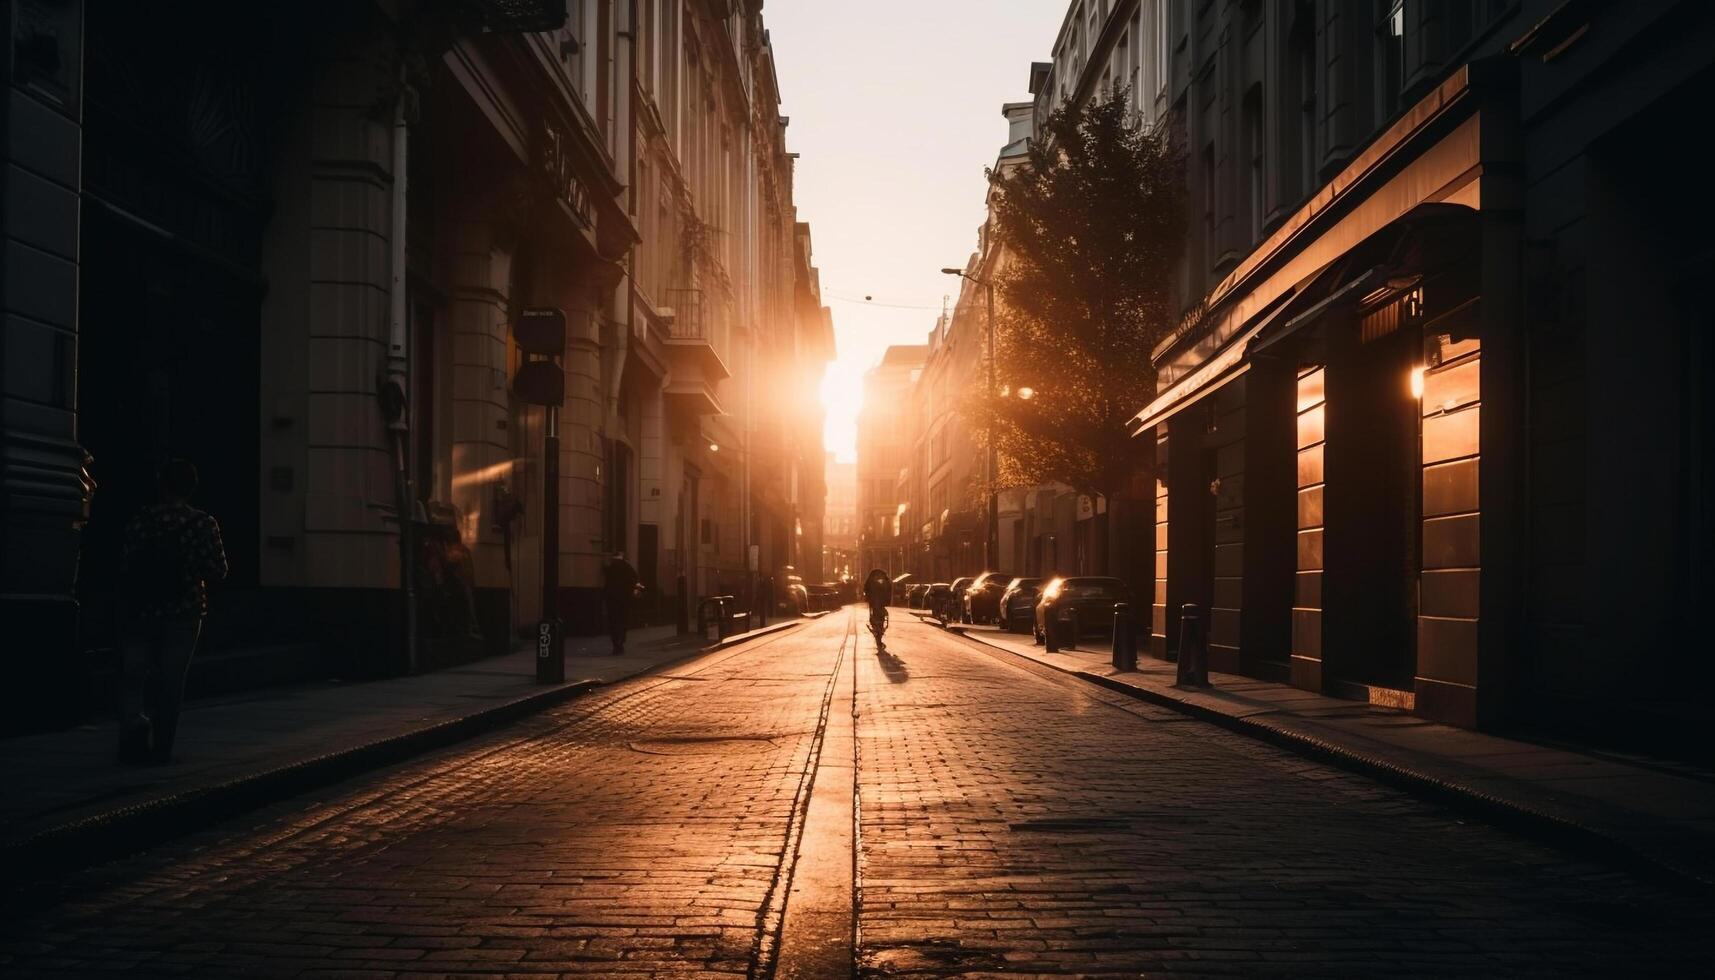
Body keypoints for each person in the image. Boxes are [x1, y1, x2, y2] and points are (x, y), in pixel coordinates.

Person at [117, 458, 228, 765]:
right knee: (171, 679)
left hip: (142, 610)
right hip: (185, 610)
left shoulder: (142, 519)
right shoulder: (203, 524)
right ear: (191, 487)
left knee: (134, 674)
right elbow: (218, 570)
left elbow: (127, 563)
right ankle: (163, 746)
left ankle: (133, 729)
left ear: (161, 483)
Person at [603, 552, 641, 656]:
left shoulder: (611, 567)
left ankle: (616, 644)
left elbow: (607, 584)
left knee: (613, 622)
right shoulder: (627, 567)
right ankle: (620, 642)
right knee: (623, 621)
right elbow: (635, 580)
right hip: (624, 600)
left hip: (612, 600)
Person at [862, 568, 891, 650]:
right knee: (878, 619)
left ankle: (878, 636)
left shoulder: (872, 581)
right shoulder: (883, 581)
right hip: (878, 604)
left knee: (878, 619)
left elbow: (865, 590)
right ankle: (878, 635)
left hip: (876, 604)